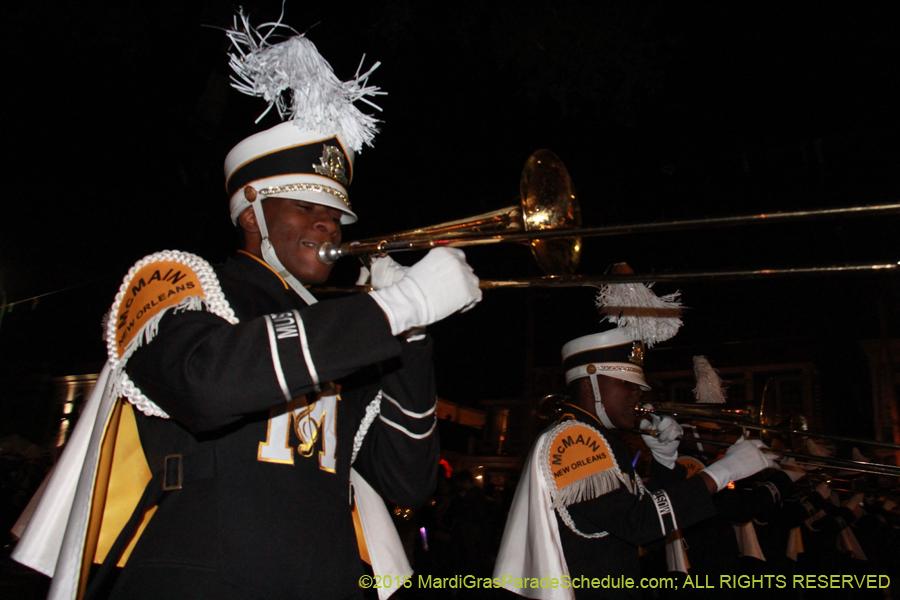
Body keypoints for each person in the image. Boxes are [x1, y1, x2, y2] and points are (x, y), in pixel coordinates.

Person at [12, 12, 481, 600]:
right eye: (306, 206)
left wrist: (415, 334)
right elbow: (206, 384)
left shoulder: (345, 329)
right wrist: (398, 306)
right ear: (252, 210)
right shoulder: (178, 283)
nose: (327, 223)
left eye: (334, 212)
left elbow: (408, 483)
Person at [494, 328, 776, 600]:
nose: (637, 393)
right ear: (587, 383)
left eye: (638, 386)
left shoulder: (601, 439)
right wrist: (723, 471)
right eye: (625, 383)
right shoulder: (574, 438)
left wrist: (665, 463)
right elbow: (639, 524)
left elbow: (651, 533)